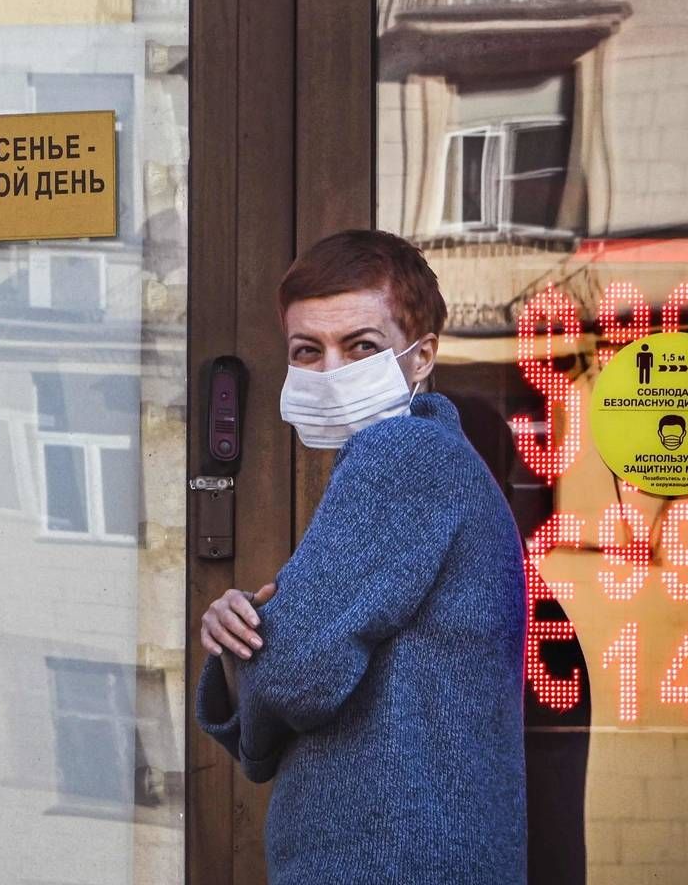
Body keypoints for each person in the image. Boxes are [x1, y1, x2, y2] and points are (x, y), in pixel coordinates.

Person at [195, 229, 526, 883]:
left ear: (421, 356)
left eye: (361, 346)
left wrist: (252, 648)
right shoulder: (443, 466)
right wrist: (251, 648)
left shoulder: (399, 457)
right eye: (306, 350)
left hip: (384, 862)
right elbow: (283, 691)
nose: (332, 371)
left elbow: (293, 678)